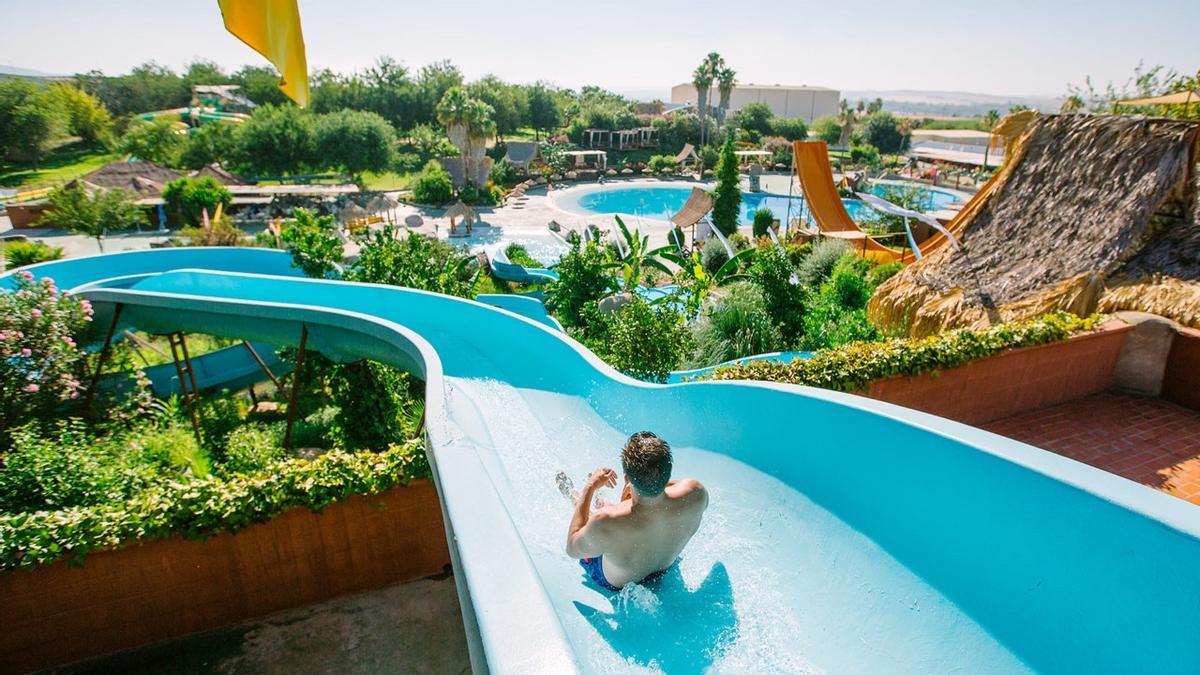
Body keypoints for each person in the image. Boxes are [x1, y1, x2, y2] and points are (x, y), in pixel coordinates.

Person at [563, 431, 708, 591]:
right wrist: (639, 487)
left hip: (617, 582)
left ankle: (577, 497)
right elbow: (662, 490)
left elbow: (572, 548)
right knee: (624, 514)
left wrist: (590, 486)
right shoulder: (696, 492)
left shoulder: (604, 521)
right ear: (668, 473)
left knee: (604, 520)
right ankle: (606, 501)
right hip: (664, 567)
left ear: (628, 478)